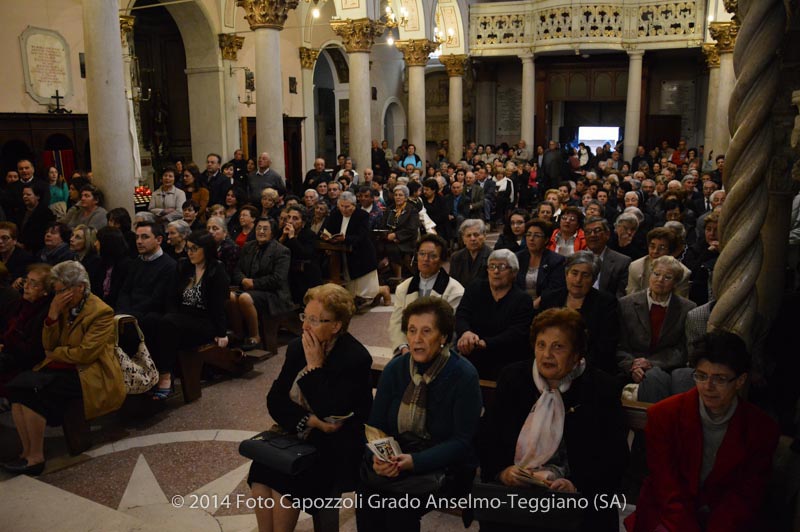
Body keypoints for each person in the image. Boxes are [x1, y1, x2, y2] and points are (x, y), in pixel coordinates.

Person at [480, 307, 628, 532]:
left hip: (576, 497)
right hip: (516, 492)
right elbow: (489, 437)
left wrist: (575, 485)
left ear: (577, 354)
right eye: (541, 345)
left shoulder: (601, 388)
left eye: (557, 347)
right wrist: (503, 471)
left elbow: (615, 458)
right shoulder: (514, 378)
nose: (547, 354)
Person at [625, 332, 780, 532]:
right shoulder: (663, 415)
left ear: (740, 380)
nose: (708, 387)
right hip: (668, 514)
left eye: (720, 379)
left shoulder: (762, 429)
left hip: (726, 521)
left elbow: (745, 496)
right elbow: (666, 487)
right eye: (701, 376)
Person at [248, 283, 373, 532]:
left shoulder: (355, 358)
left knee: (287, 477)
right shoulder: (298, 347)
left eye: (315, 320)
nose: (305, 325)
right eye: (305, 316)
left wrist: (315, 368)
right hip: (303, 433)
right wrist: (311, 421)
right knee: (261, 469)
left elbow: (334, 414)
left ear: (336, 325)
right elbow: (275, 400)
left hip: (340, 448)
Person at [357, 297, 482, 532]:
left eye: (426, 331)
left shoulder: (463, 375)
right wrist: (379, 458)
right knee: (368, 499)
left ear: (443, 337)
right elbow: (375, 425)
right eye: (412, 331)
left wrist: (414, 462)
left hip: (444, 466)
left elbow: (462, 441)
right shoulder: (396, 368)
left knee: (398, 509)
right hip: (398, 456)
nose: (417, 339)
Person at [2, 261, 125, 475]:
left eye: (63, 291)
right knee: (16, 388)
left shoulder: (101, 312)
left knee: (34, 392)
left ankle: (36, 457)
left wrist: (57, 353)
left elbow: (86, 354)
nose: (58, 296)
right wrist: (52, 315)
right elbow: (48, 345)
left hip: (88, 373)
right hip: (63, 366)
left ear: (79, 287)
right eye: (57, 292)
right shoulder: (63, 308)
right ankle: (26, 452)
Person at [149, 231, 230, 399]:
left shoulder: (216, 270)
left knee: (168, 324)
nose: (190, 252)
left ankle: (165, 376)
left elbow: (218, 305)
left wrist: (222, 333)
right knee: (153, 321)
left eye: (194, 249)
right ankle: (153, 373)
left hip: (205, 322)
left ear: (206, 250)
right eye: (188, 248)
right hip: (181, 317)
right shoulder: (183, 266)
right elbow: (171, 297)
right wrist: (172, 315)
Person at [617, 255, 696, 385]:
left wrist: (651, 363)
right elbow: (620, 344)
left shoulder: (687, 308)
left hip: (667, 371)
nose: (660, 280)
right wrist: (632, 365)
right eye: (656, 274)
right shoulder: (626, 304)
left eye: (667, 277)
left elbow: (682, 350)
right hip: (628, 369)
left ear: (675, 283)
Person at [456, 249, 534, 379]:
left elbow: (517, 333)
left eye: (502, 267)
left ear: (514, 273)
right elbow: (462, 315)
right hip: (473, 353)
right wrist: (466, 332)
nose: (496, 271)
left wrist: (486, 343)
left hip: (507, 359)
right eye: (492, 266)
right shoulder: (475, 288)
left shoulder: (522, 299)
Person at [538, 251, 620, 374]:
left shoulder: (606, 303)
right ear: (566, 274)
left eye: (585, 275)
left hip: (589, 367)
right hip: (549, 360)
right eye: (574, 273)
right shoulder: (549, 299)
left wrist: (574, 364)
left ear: (593, 280)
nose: (578, 280)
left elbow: (605, 346)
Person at [389, 234, 464, 352]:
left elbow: (448, 329)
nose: (425, 259)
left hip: (439, 350)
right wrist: (403, 347)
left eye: (432, 256)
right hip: (408, 349)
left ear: (441, 260)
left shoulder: (454, 290)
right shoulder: (404, 287)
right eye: (422, 254)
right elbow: (396, 322)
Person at [229, 217, 293, 351]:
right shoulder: (248, 246)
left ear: (272, 232)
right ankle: (239, 334)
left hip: (273, 294)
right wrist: (242, 280)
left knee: (244, 298)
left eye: (265, 229)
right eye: (258, 228)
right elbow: (237, 269)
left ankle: (255, 337)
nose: (261, 231)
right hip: (250, 289)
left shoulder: (281, 251)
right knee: (230, 296)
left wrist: (253, 283)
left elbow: (278, 279)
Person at [0, 264, 52, 377]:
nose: (26, 286)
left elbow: (32, 352)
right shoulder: (20, 303)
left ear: (46, 291)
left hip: (23, 365)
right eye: (26, 281)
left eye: (33, 283)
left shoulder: (45, 313)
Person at [626, 227, 691, 297]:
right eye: (652, 246)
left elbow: (679, 305)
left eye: (662, 248)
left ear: (670, 252)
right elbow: (631, 300)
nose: (655, 251)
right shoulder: (636, 267)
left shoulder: (684, 273)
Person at [515, 218, 566, 308]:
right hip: (518, 304)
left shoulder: (556, 261)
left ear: (546, 240)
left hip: (544, 307)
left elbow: (553, 290)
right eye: (528, 234)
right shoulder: (517, 258)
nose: (531, 239)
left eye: (537, 236)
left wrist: (534, 305)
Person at [277, 205, 322, 305]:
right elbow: (274, 251)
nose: (290, 221)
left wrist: (292, 238)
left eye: (295, 218)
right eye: (288, 217)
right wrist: (283, 237)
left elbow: (305, 254)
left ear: (303, 222)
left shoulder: (310, 235)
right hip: (287, 269)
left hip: (305, 271)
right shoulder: (282, 232)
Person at [584, 216, 631, 298]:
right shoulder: (575, 259)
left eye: (597, 231)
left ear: (607, 234)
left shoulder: (622, 262)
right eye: (588, 232)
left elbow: (620, 296)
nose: (592, 235)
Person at [380, 185, 420, 279]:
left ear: (406, 197)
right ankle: (381, 274)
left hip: (406, 240)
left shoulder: (412, 210)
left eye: (400, 195)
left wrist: (396, 236)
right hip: (388, 238)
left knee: (392, 249)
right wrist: (387, 235)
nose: (397, 197)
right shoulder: (390, 209)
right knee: (377, 246)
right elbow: (383, 225)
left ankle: (398, 276)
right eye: (396, 195)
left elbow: (412, 229)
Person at [91, 227, 133, 308]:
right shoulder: (99, 263)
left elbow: (121, 295)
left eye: (98, 241)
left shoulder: (127, 266)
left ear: (107, 243)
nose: (95, 244)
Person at [449, 219, 492, 288]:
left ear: (484, 236)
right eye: (468, 235)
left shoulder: (492, 257)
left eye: (476, 235)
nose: (472, 239)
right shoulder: (456, 257)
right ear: (463, 239)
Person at [18, 182, 55, 252]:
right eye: (23, 195)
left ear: (38, 196)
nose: (24, 197)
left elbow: (43, 235)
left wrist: (25, 245)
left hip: (37, 249)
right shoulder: (20, 210)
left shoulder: (46, 213)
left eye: (28, 195)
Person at [206, 215, 241, 279]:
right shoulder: (206, 246)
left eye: (215, 228)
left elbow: (227, 274)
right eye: (208, 228)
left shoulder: (232, 248)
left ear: (225, 232)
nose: (210, 231)